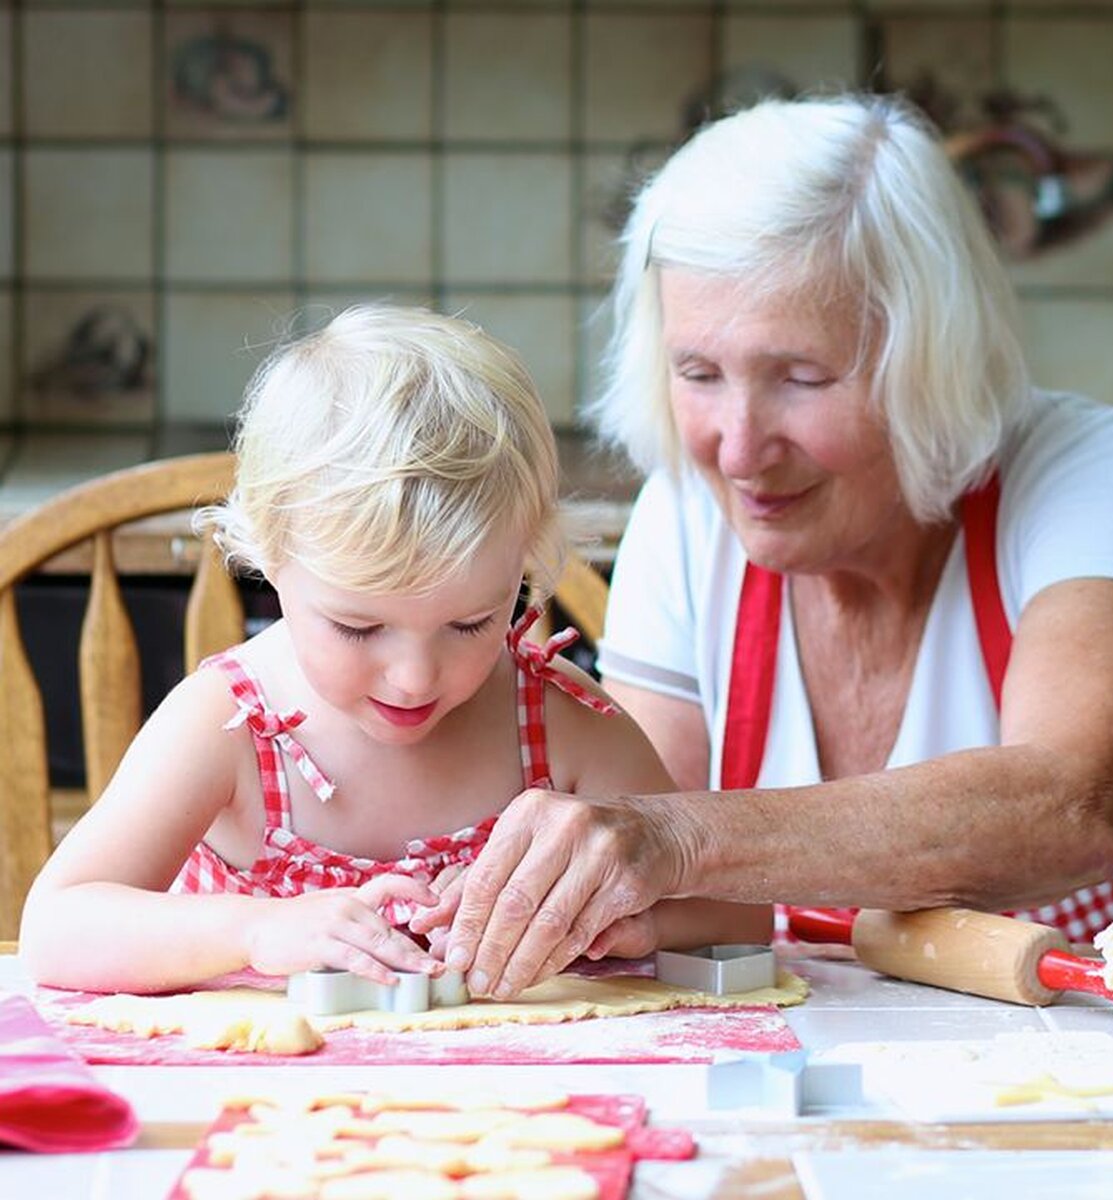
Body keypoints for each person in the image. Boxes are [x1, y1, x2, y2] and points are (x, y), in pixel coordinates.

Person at [418, 93, 1113, 1003]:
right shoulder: (689, 510)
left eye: (802, 378)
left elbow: (1067, 809)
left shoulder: (1087, 470)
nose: (740, 451)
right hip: (803, 1050)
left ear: (931, 361)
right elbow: (641, 836)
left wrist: (678, 839)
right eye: (698, 374)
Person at [20, 304, 765, 994]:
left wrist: (623, 920)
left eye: (473, 623)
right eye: (358, 627)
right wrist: (259, 929)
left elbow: (741, 915)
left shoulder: (555, 721)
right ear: (268, 560)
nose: (414, 678)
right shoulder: (229, 727)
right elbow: (57, 930)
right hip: (263, 1103)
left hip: (498, 1111)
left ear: (524, 567)